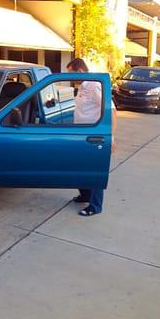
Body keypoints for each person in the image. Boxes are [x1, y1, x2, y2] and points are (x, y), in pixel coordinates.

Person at [66, 57, 117, 216]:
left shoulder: (94, 86)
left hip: (93, 137)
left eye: (71, 74)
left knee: (94, 171)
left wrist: (112, 137)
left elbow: (112, 111)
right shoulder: (82, 86)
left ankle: (95, 206)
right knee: (79, 167)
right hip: (80, 135)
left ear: (80, 71)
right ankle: (85, 195)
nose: (70, 78)